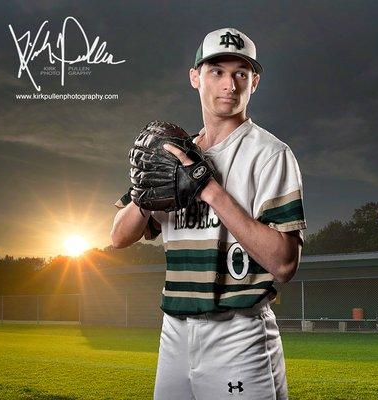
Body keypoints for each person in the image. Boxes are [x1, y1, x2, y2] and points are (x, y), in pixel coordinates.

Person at [111, 28, 306, 399]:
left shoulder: (270, 154)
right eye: (217, 71)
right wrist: (145, 193)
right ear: (195, 77)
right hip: (174, 330)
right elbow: (118, 237)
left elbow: (284, 264)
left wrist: (210, 189)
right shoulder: (174, 153)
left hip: (238, 331)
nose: (229, 84)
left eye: (241, 73)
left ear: (255, 82)